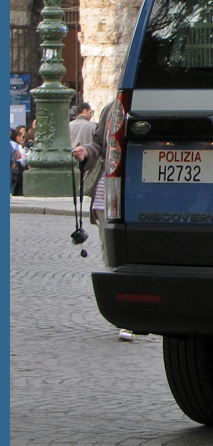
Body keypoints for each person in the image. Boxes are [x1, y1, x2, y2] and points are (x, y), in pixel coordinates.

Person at [72, 102, 134, 342]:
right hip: (105, 196)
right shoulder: (111, 108)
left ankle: (131, 315)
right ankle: (126, 318)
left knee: (131, 255)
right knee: (112, 256)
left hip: (135, 192)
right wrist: (86, 151)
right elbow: (98, 142)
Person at [10, 126, 28, 196]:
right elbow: (19, 156)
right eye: (20, 135)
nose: (22, 138)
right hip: (15, 167)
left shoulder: (24, 147)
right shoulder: (14, 145)